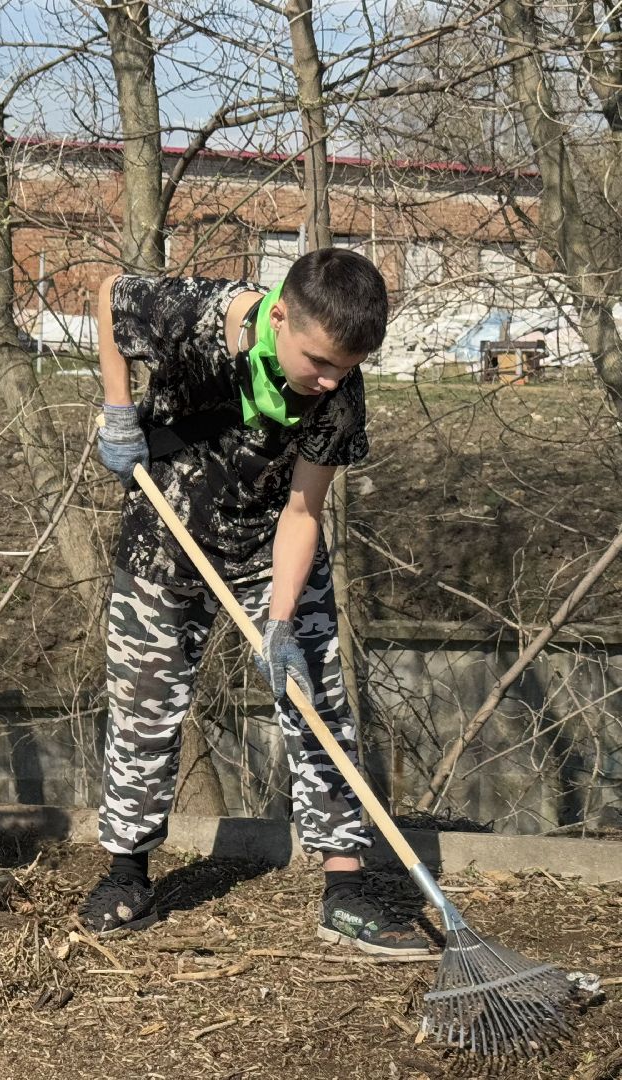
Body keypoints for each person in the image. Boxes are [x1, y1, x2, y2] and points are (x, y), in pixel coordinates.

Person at [82, 248, 429, 957]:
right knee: (145, 705)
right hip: (165, 537)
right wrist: (119, 412)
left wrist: (279, 627)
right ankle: (128, 876)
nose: (331, 380)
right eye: (319, 361)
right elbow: (111, 296)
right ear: (279, 317)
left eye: (347, 367)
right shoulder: (199, 317)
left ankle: (345, 886)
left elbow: (305, 513)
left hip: (271, 543)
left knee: (317, 700)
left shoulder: (340, 394)